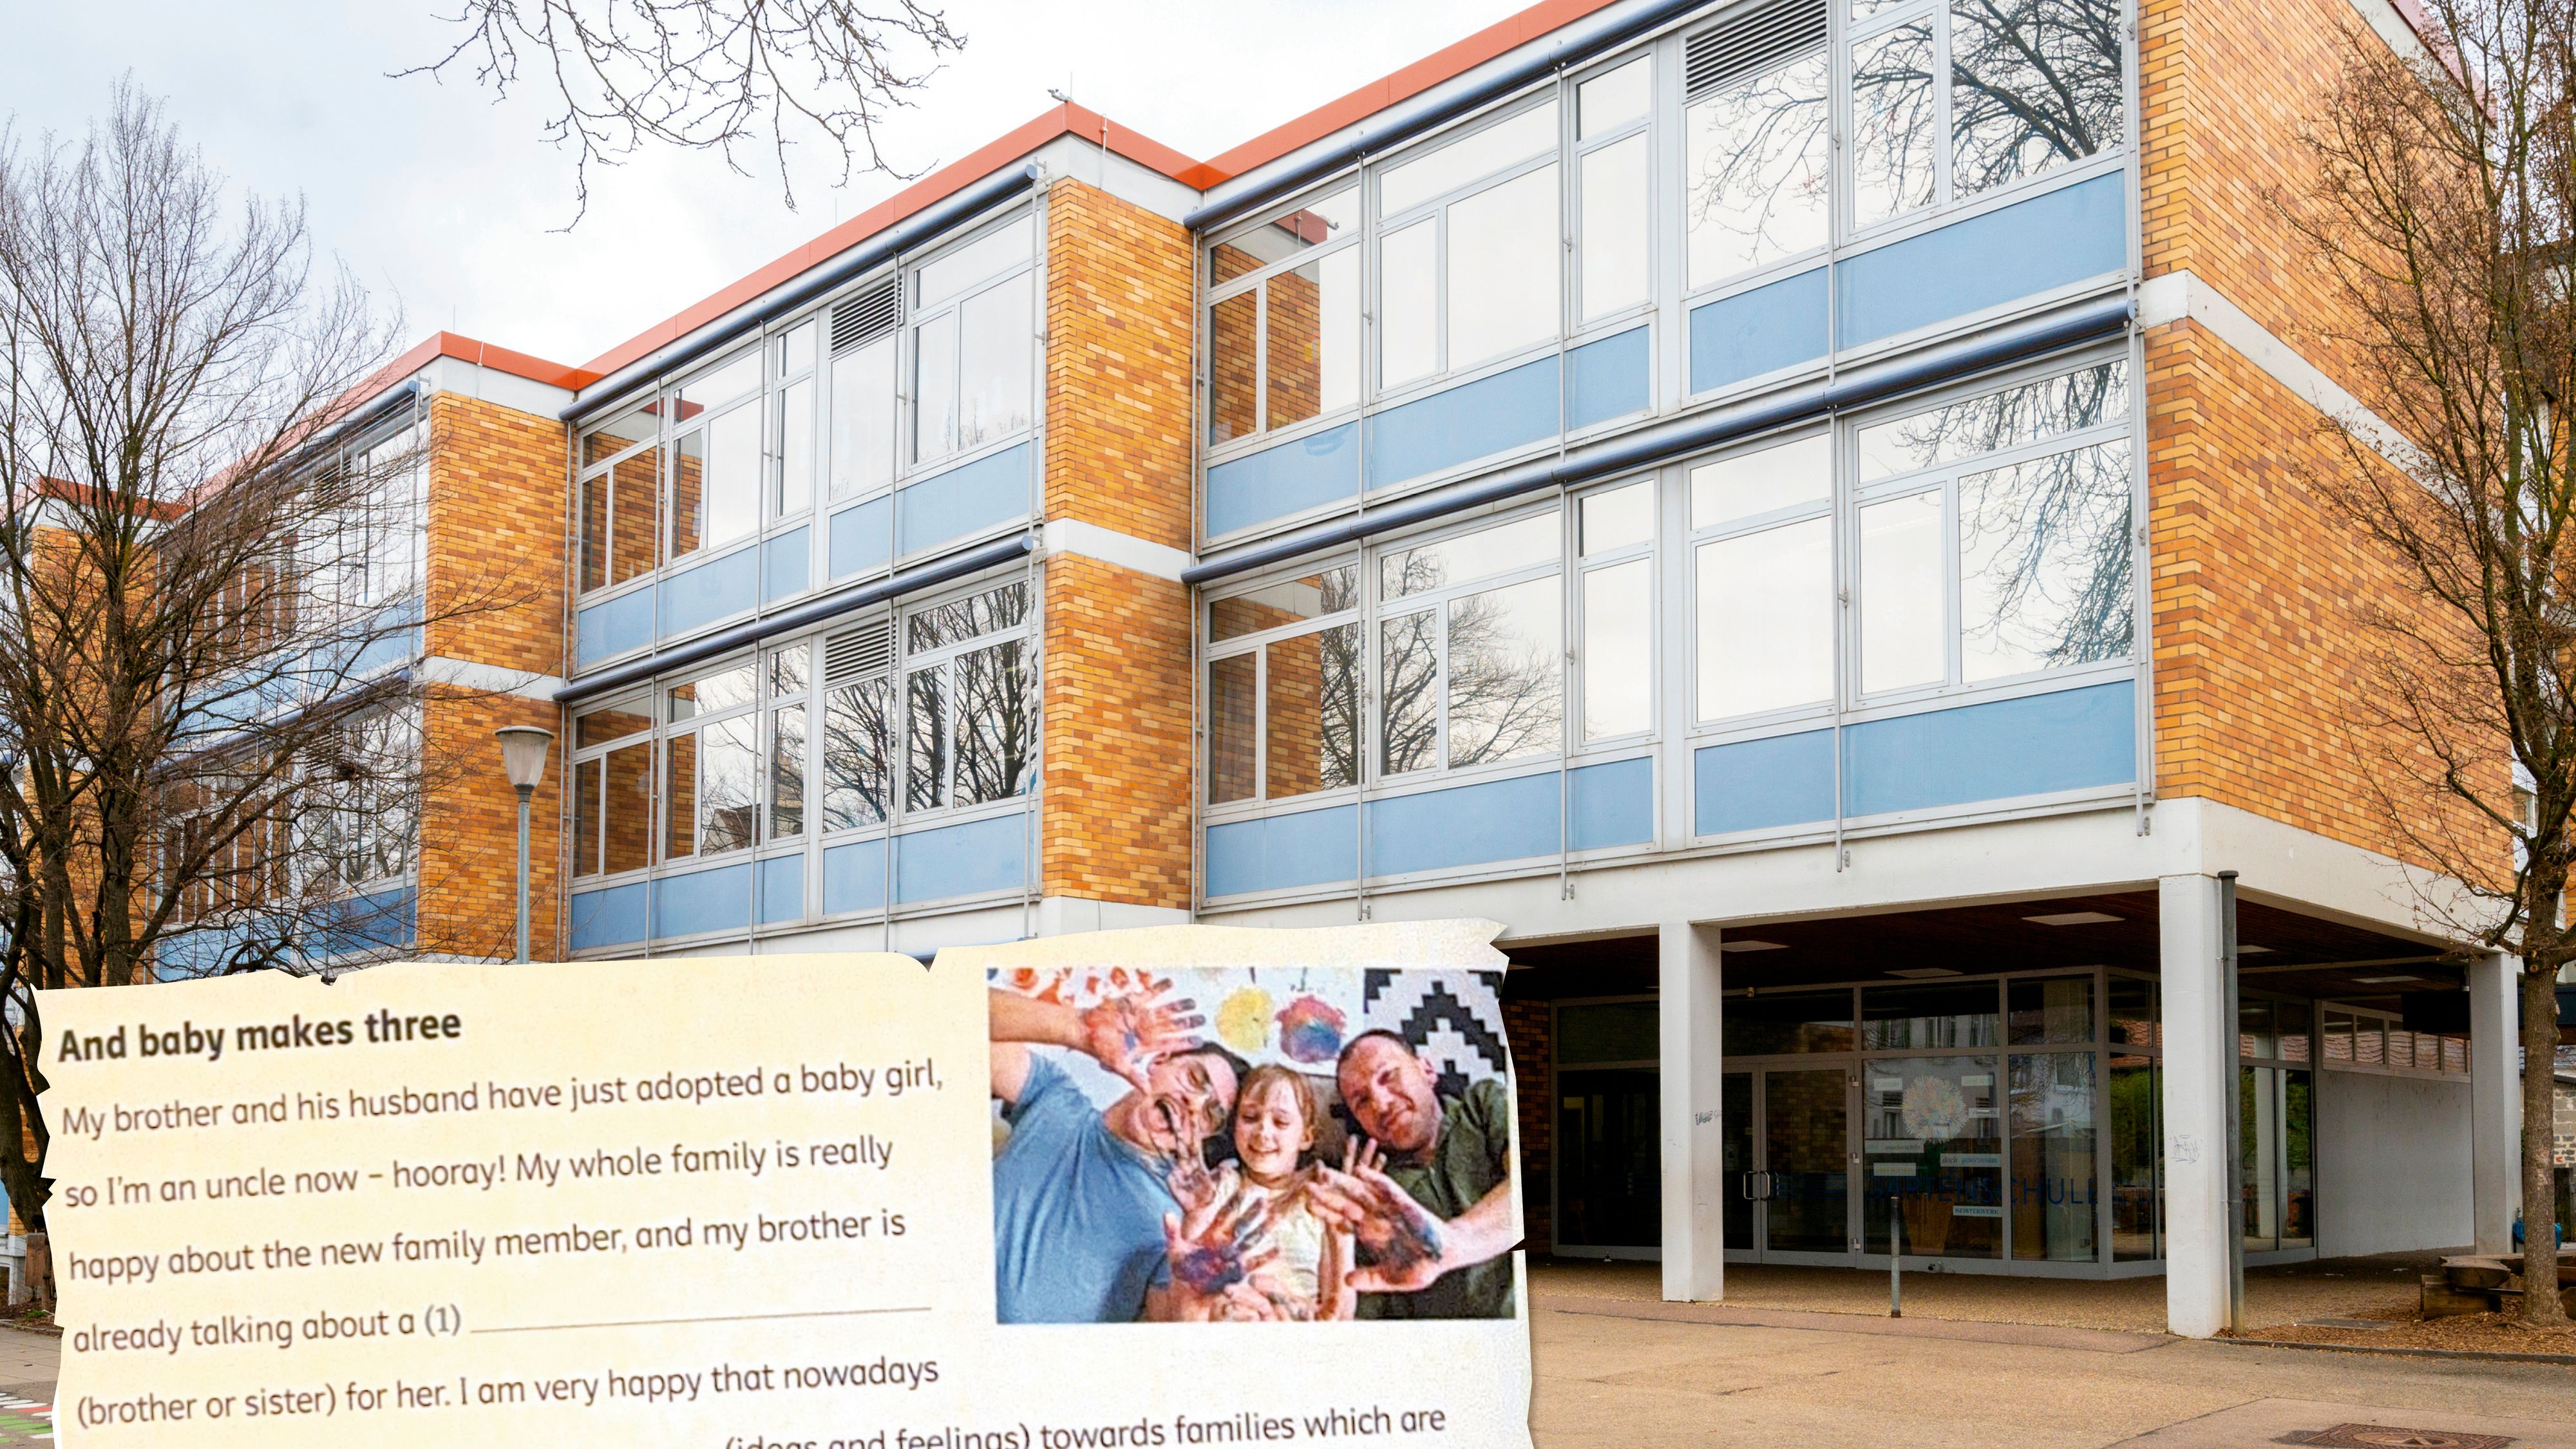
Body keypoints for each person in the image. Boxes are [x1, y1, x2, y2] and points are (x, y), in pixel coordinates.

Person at [987, 983, 1251, 1323]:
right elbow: (948, 1019)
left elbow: (1170, 1316)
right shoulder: (1054, 1097)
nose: (1192, 1104)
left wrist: (1195, 1286)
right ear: (1160, 1062)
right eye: (1194, 1079)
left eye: (1211, 1113)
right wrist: (1078, 1028)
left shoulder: (1174, 1224)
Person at [1318, 1029, 1519, 1319]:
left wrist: (1450, 1243)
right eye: (1361, 1101)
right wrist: (1341, 1243)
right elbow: (1359, 1316)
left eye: (1387, 1076)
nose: (1381, 1103)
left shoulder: (1482, 1105)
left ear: (1427, 1070)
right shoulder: (1368, 1193)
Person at [1165, 1064, 1356, 1321]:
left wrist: (1344, 1237)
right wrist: (1195, 1217)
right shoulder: (1217, 1188)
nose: (1264, 1132)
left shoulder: (1320, 1200)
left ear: (1306, 1137)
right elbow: (1185, 1298)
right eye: (1250, 1118)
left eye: (1281, 1122)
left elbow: (1342, 1316)